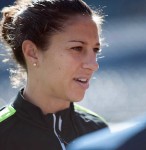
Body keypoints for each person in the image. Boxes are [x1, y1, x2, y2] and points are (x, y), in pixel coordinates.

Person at [0, 0, 108, 149]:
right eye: (77, 48)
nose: (93, 65)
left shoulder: (98, 130)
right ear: (32, 52)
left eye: (95, 50)